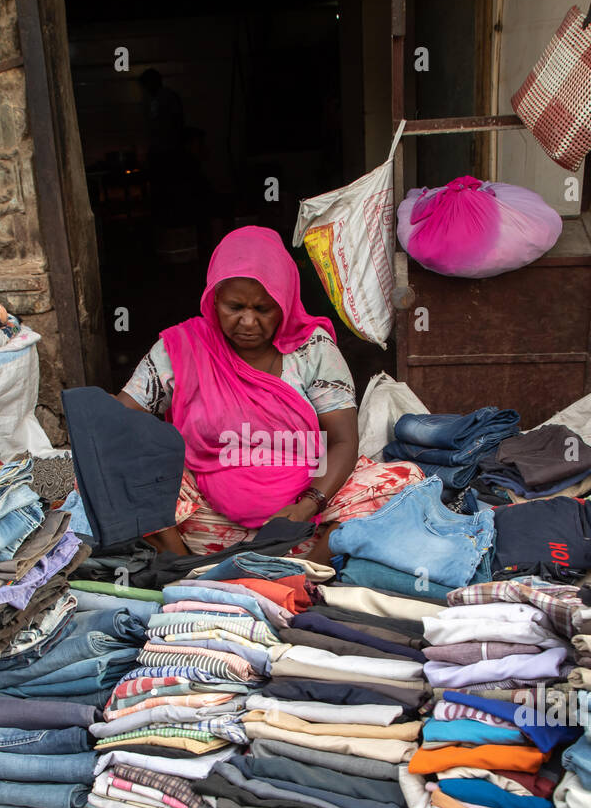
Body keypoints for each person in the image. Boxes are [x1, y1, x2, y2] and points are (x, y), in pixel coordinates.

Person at [117, 226, 422, 562]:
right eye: (235, 307)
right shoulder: (184, 347)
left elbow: (342, 441)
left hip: (304, 519)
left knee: (405, 480)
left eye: (263, 309)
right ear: (214, 299)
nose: (248, 321)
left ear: (286, 303)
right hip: (205, 516)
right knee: (110, 466)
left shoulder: (312, 350)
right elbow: (122, 418)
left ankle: (308, 573)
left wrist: (306, 506)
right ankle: (180, 565)